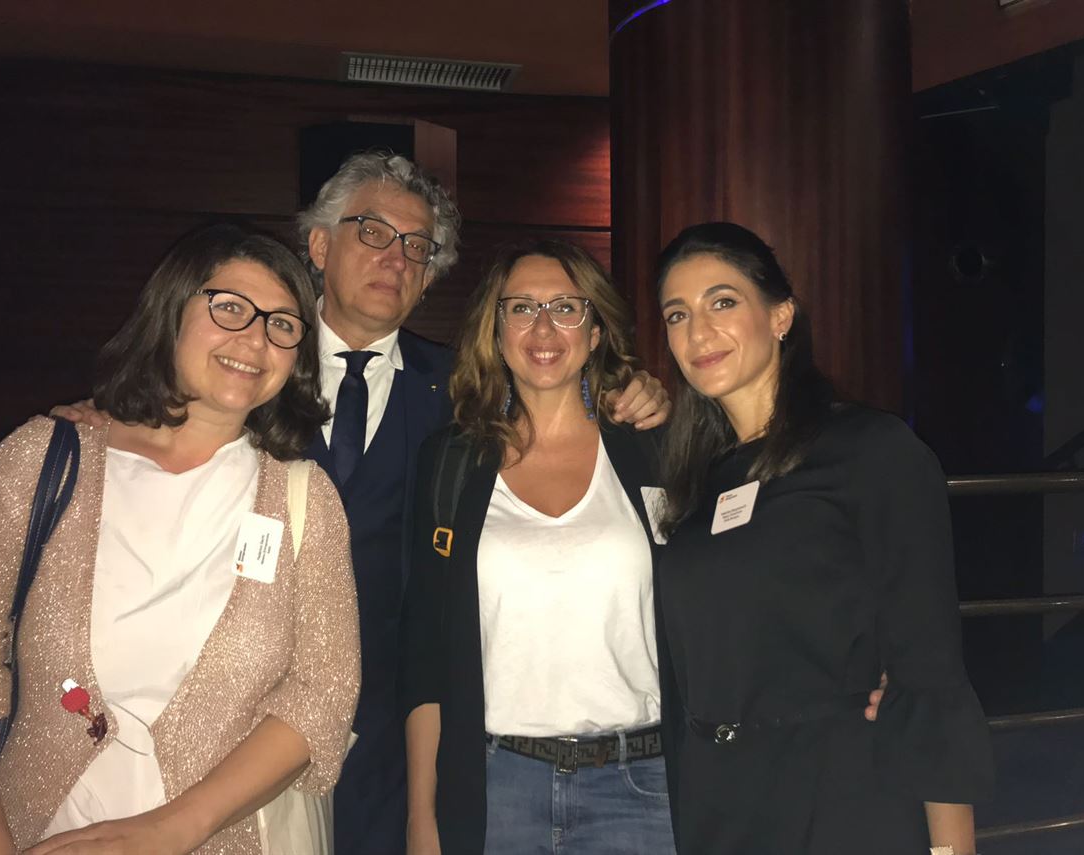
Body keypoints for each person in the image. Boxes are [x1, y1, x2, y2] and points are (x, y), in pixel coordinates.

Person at [54, 152, 671, 854]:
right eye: (373, 232)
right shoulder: (248, 366)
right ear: (319, 246)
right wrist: (112, 421)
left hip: (391, 740)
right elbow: (160, 434)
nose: (395, 258)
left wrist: (637, 394)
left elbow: (561, 393)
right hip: (227, 721)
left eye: (418, 247)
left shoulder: (462, 395)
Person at [0, 223, 360, 854]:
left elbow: (322, 696)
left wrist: (175, 829)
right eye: (230, 308)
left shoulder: (306, 501)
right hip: (32, 828)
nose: (256, 338)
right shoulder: (41, 461)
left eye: (283, 324)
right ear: (171, 311)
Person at [653, 222, 994, 855]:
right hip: (718, 804)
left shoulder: (870, 451)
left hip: (838, 800)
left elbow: (930, 670)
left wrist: (950, 851)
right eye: (678, 314)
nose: (698, 332)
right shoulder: (695, 480)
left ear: (780, 315)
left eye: (722, 302)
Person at [400, 239, 676, 855]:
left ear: (596, 331)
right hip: (496, 787)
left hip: (641, 789)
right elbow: (425, 652)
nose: (544, 328)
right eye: (521, 308)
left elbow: (721, 603)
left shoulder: (652, 450)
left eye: (566, 308)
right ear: (495, 332)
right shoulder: (451, 461)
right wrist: (422, 817)